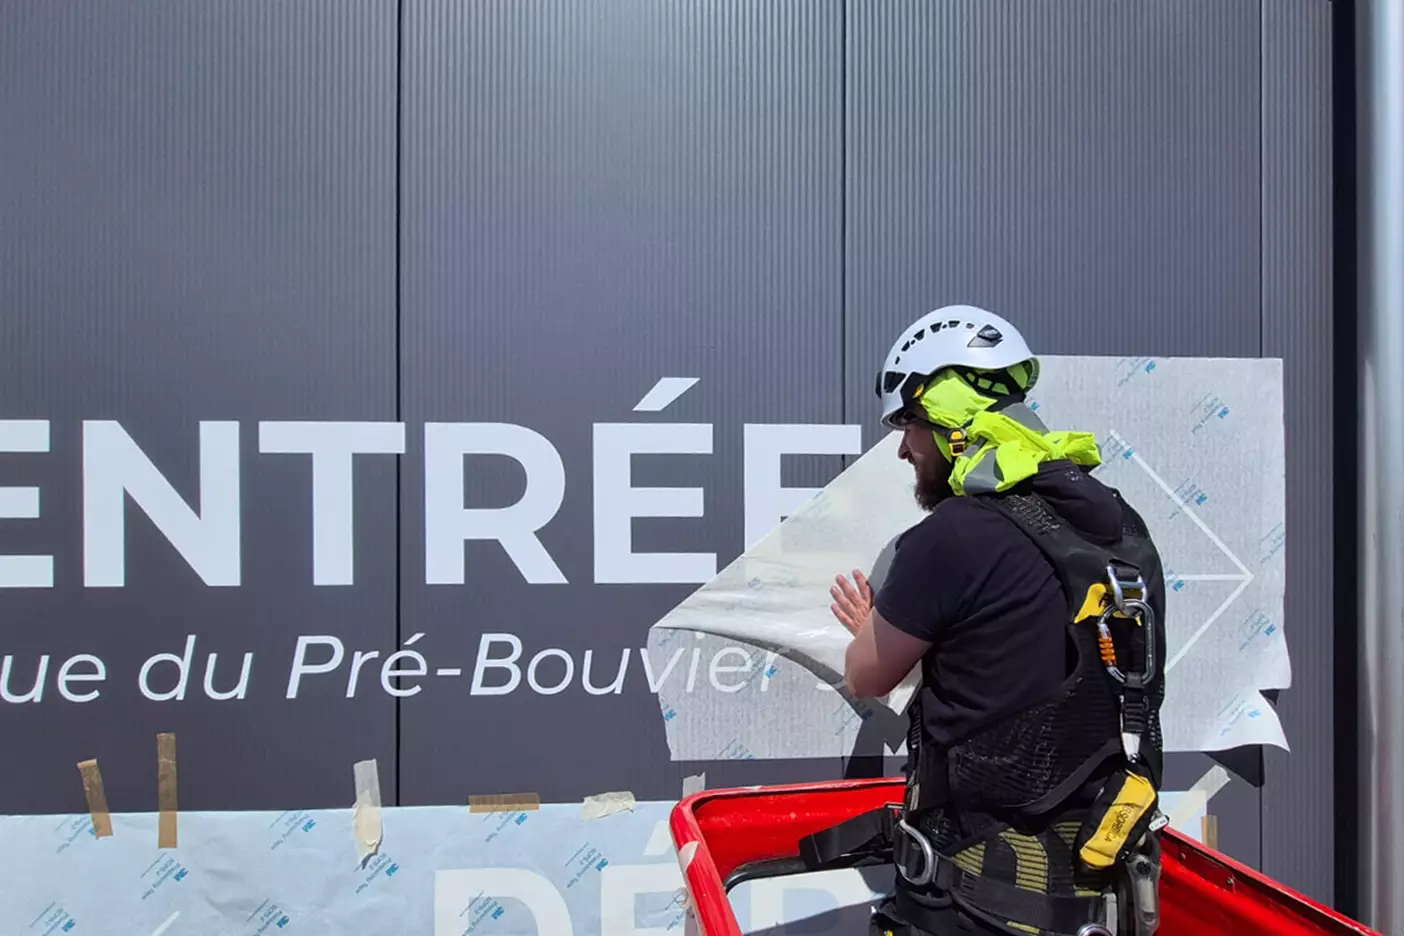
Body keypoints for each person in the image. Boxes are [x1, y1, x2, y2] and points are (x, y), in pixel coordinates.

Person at [805, 305, 1169, 936]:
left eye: (910, 424)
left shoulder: (955, 534)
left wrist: (872, 627)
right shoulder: (1120, 526)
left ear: (950, 422)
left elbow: (867, 674)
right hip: (1100, 894)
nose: (903, 448)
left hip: (978, 899)